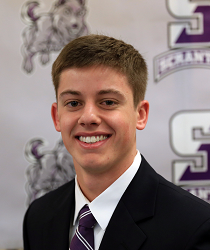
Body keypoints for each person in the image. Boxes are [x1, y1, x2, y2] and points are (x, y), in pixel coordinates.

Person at [23, 34, 210, 250]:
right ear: (57, 116)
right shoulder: (39, 218)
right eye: (73, 103)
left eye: (108, 102)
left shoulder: (194, 227)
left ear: (140, 114)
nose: (88, 117)